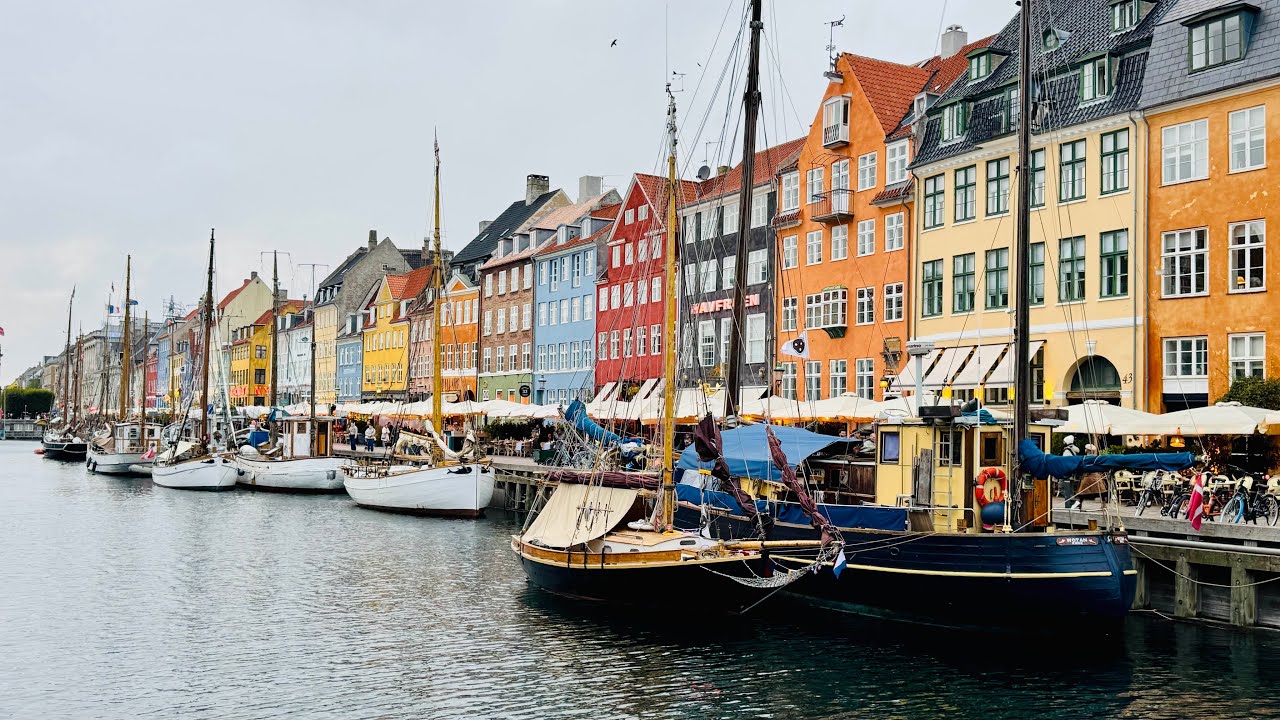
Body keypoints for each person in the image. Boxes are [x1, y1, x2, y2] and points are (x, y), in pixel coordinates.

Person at [1061, 435, 1081, 510]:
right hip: (1072, 472)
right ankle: (1072, 503)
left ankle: (1073, 502)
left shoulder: (1067, 451)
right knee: (1070, 489)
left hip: (1066, 472)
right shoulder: (1075, 450)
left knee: (1062, 488)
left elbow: (1064, 461)